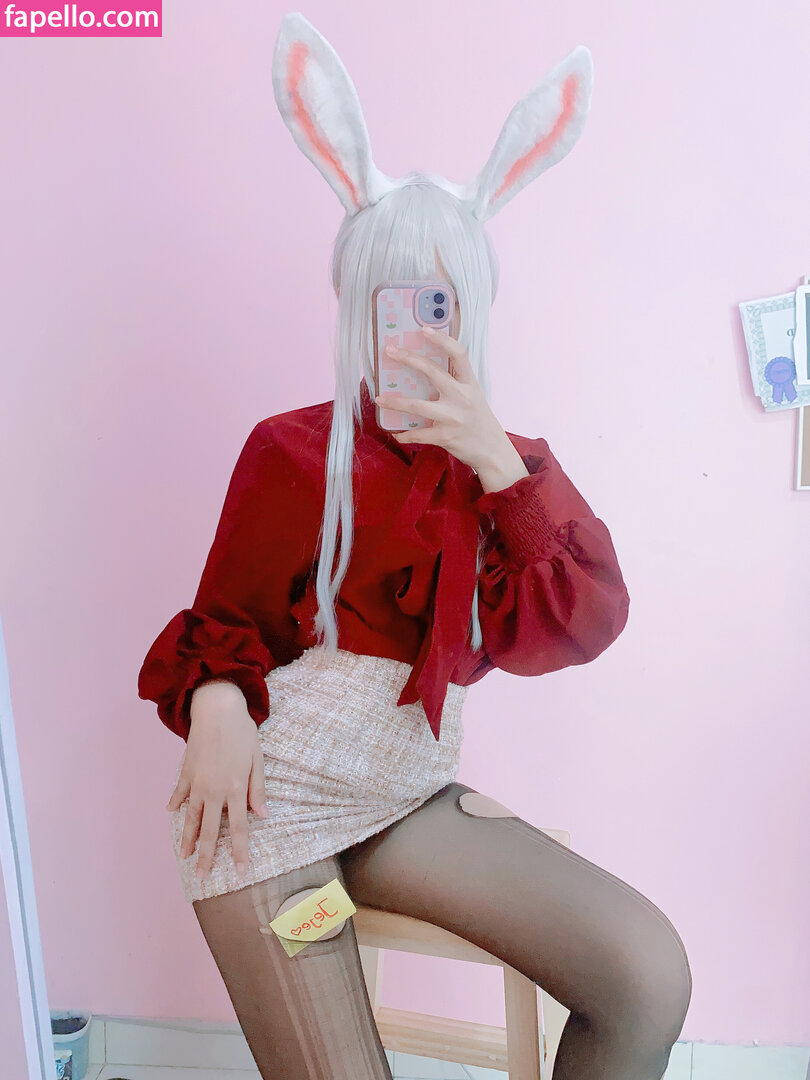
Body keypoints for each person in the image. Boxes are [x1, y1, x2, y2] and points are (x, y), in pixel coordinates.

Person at [137, 12, 692, 1079]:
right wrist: (214, 704)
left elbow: (583, 621)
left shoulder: (511, 476)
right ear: (358, 303)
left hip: (406, 801)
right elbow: (224, 627)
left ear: (474, 304)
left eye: (441, 304)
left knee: (647, 975)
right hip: (271, 812)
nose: (419, 335)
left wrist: (500, 467)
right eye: (397, 304)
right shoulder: (293, 452)